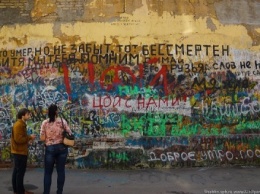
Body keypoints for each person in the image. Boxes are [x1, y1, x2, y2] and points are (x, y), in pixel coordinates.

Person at [40, 104, 72, 194]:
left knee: (48, 173)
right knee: (61, 171)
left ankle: (46, 192)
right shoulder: (62, 121)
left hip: (50, 148)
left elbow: (42, 138)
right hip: (62, 148)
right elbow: (69, 133)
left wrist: (48, 138)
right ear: (56, 112)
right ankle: (59, 192)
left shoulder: (45, 123)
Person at [11, 108, 36, 194]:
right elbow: (18, 139)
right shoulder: (19, 125)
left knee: (17, 172)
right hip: (19, 152)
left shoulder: (20, 124)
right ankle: (20, 191)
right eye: (28, 114)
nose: (29, 116)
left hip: (18, 151)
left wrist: (28, 138)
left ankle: (18, 190)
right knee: (20, 173)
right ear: (23, 116)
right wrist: (29, 137)